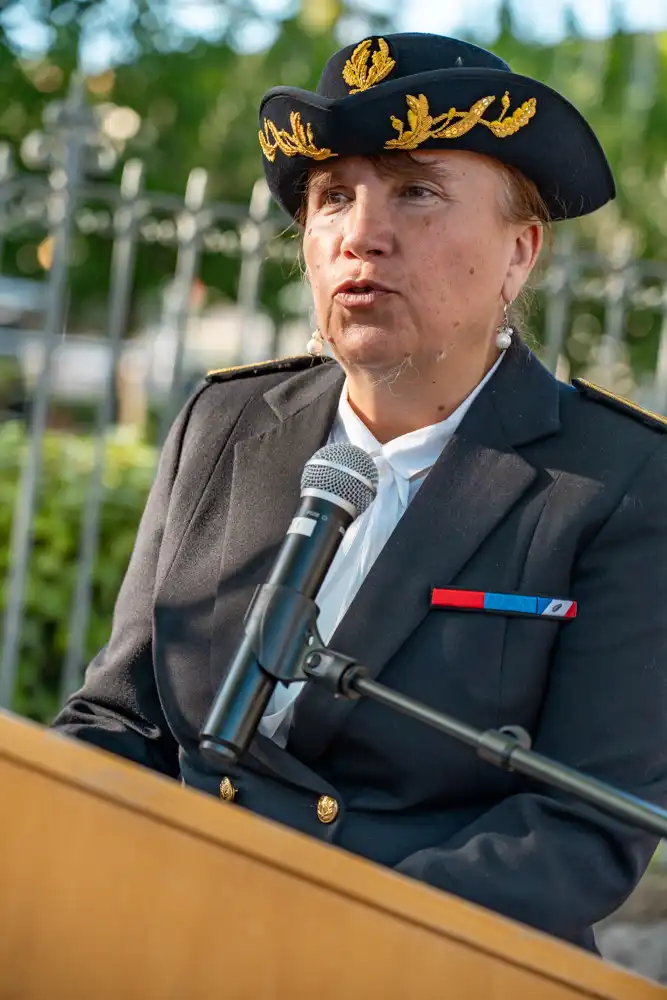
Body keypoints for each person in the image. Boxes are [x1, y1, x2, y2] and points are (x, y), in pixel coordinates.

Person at [51, 32, 667, 955]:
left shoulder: (619, 478)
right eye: (332, 197)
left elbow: (581, 827)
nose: (360, 234)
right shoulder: (224, 423)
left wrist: (315, 939)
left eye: (415, 191)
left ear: (519, 252)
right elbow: (120, 717)